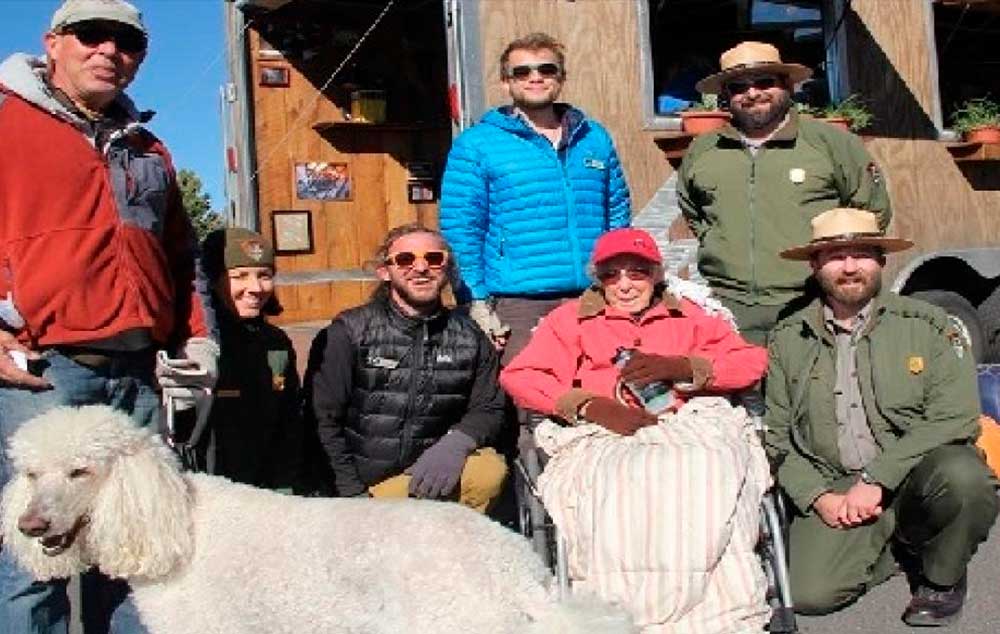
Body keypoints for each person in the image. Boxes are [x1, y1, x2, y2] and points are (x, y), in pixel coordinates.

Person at [0, 1, 218, 633]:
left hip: (139, 374)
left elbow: (182, 258)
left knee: (134, 546)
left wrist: (199, 343)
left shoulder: (149, 148)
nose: (109, 51)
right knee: (33, 559)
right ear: (54, 44)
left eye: (126, 42)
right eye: (91, 35)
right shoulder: (7, 122)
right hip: (45, 373)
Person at [500, 228, 771, 631]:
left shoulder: (689, 315)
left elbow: (750, 361)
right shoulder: (571, 320)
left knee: (708, 470)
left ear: (656, 274)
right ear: (599, 279)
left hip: (685, 427)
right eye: (612, 275)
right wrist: (588, 405)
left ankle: (706, 606)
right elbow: (521, 375)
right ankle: (626, 610)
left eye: (637, 273)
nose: (625, 285)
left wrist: (685, 367)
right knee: (617, 488)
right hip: (605, 432)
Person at [764, 208, 998, 625]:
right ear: (816, 265)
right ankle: (900, 542)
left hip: (914, 471)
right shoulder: (789, 338)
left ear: (882, 260)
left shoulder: (927, 326)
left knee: (966, 478)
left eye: (862, 254)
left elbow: (957, 417)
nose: (850, 266)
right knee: (808, 595)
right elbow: (778, 438)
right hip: (835, 479)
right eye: (836, 256)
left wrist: (876, 480)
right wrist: (817, 497)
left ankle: (941, 575)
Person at [677, 41, 892, 346]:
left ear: (788, 85)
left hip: (812, 303)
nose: (752, 93)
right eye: (739, 86)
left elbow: (869, 215)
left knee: (814, 393)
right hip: (728, 306)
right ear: (725, 95)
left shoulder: (830, 143)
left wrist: (837, 278)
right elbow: (696, 214)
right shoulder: (704, 150)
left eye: (765, 82)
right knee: (741, 392)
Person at [440, 32, 631, 363]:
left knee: (600, 390)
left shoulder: (593, 137)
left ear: (561, 78)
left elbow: (617, 214)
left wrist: (618, 278)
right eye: (522, 72)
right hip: (518, 302)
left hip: (593, 294)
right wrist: (475, 299)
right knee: (531, 402)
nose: (535, 77)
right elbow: (460, 227)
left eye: (546, 69)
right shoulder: (477, 144)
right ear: (505, 83)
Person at [308, 224, 507, 512]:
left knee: (488, 471)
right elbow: (322, 420)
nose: (421, 267)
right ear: (384, 271)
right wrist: (351, 497)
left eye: (434, 258)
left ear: (447, 268)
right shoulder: (349, 331)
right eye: (405, 260)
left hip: (426, 480)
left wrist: (456, 444)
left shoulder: (470, 336)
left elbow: (489, 408)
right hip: (361, 491)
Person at [196, 228, 305, 491]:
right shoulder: (200, 346)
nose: (255, 288)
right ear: (213, 280)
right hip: (213, 495)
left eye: (264, 276)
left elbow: (289, 424)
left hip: (270, 494)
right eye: (239, 276)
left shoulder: (276, 343)